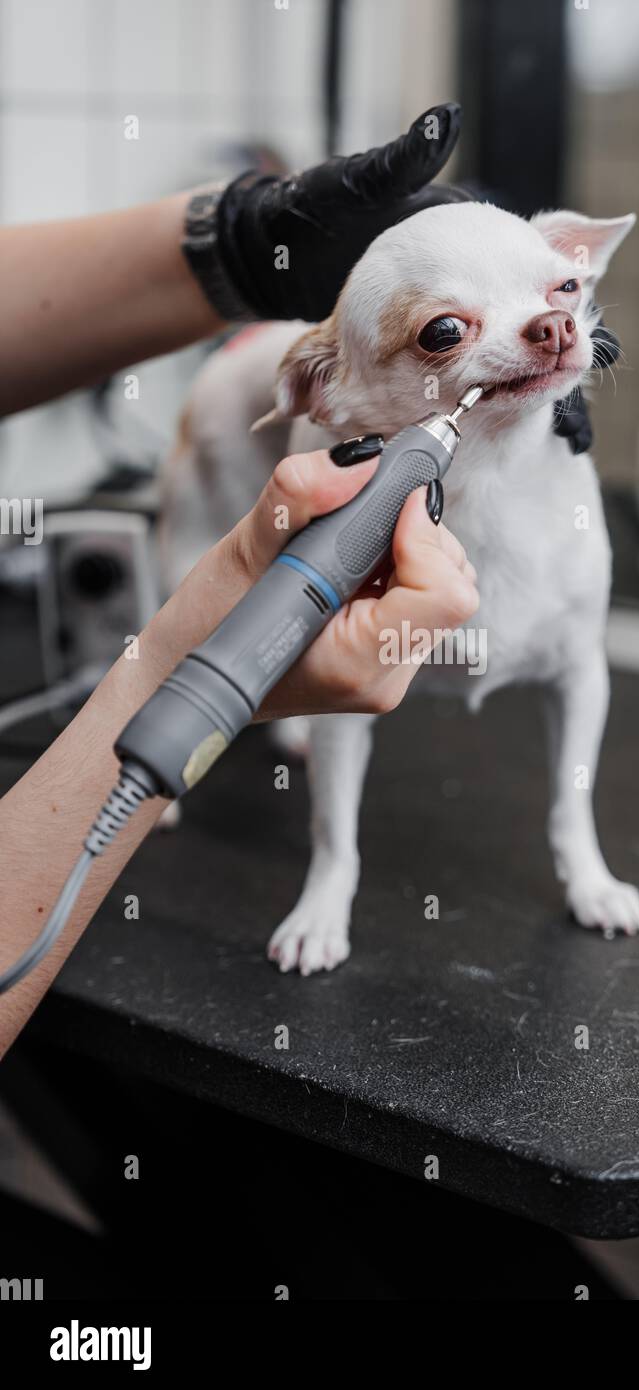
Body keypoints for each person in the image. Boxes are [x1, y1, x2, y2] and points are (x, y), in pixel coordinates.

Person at [0, 105, 606, 1053]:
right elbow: (237, 587)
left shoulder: (571, 500)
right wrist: (192, 658)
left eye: (563, 290)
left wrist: (239, 244)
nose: (552, 329)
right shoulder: (306, 400)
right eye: (447, 331)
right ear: (322, 396)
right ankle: (266, 831)